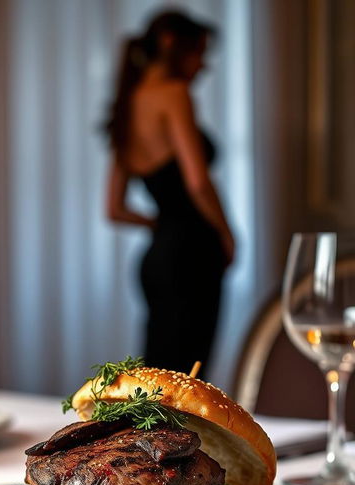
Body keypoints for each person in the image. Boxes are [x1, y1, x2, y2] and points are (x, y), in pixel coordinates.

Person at [105, 10, 234, 379]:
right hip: (193, 254)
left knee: (157, 377)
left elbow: (114, 209)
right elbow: (197, 182)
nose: (203, 66)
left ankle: (148, 440)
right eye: (199, 53)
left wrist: (160, 222)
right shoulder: (174, 94)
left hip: (157, 258)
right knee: (189, 378)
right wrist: (225, 232)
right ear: (173, 47)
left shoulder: (127, 104)